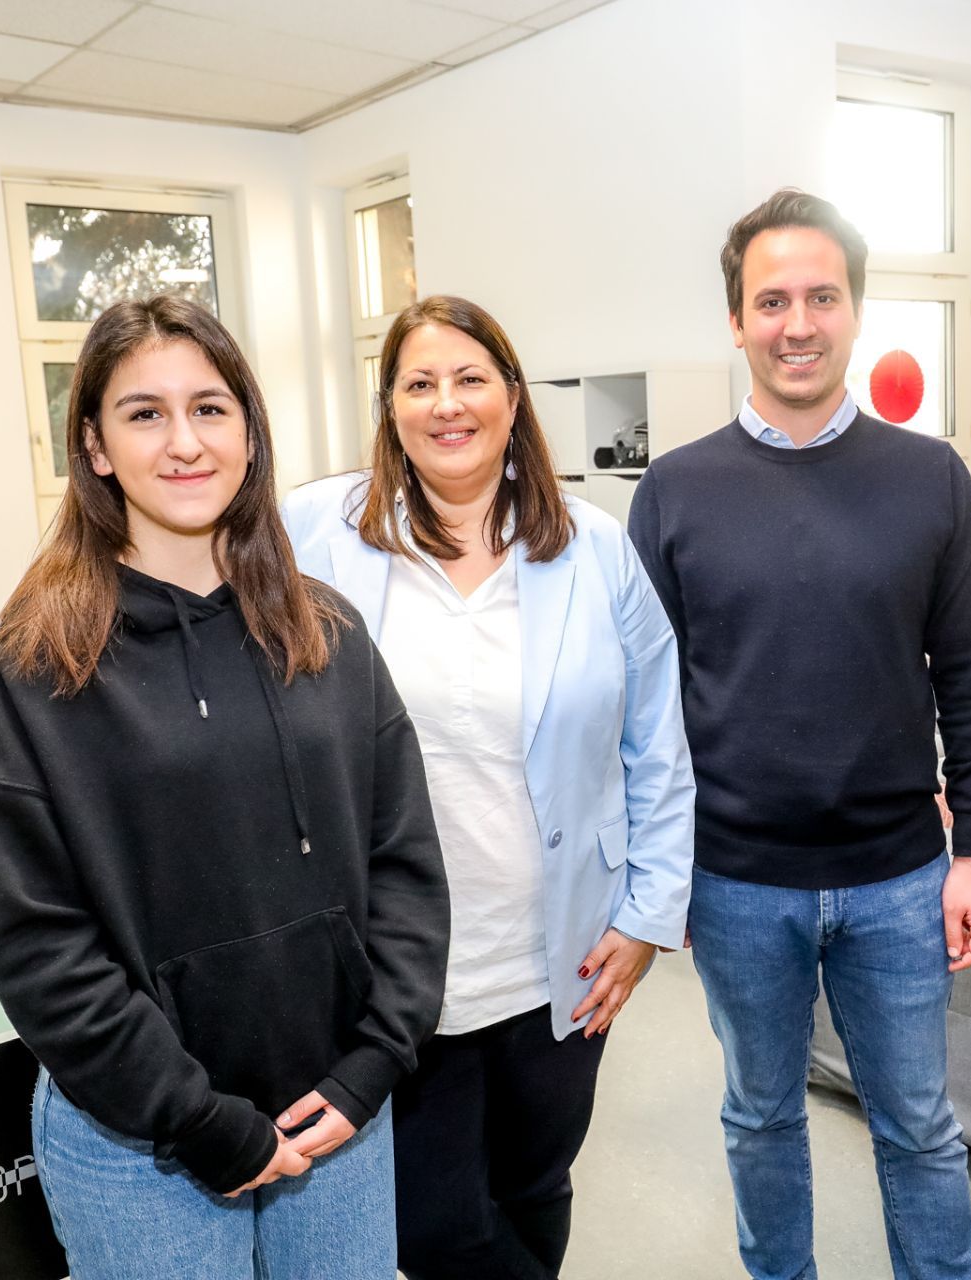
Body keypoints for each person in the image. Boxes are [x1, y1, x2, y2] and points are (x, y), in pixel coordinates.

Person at [0, 295, 449, 1279]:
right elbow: (39, 940)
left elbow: (405, 870)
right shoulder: (41, 665)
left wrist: (368, 1069)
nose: (183, 441)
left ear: (250, 431)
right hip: (138, 1141)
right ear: (95, 445)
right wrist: (194, 1115)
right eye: (143, 413)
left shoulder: (331, 635)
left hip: (335, 1118)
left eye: (210, 407)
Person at [628, 189, 971, 1280]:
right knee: (759, 1116)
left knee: (921, 1127)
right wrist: (664, 876)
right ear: (737, 321)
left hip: (899, 876)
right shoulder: (675, 490)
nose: (799, 321)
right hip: (739, 881)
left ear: (855, 311)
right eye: (773, 299)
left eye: (822, 297)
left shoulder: (931, 478)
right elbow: (648, 710)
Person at [284, 294, 694, 1280]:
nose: (446, 403)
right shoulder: (319, 533)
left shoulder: (593, 549)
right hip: (397, 968)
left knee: (534, 1187)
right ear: (389, 407)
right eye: (418, 383)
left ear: (512, 397)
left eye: (469, 378)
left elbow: (659, 746)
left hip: (557, 958)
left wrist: (647, 916)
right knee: (433, 1226)